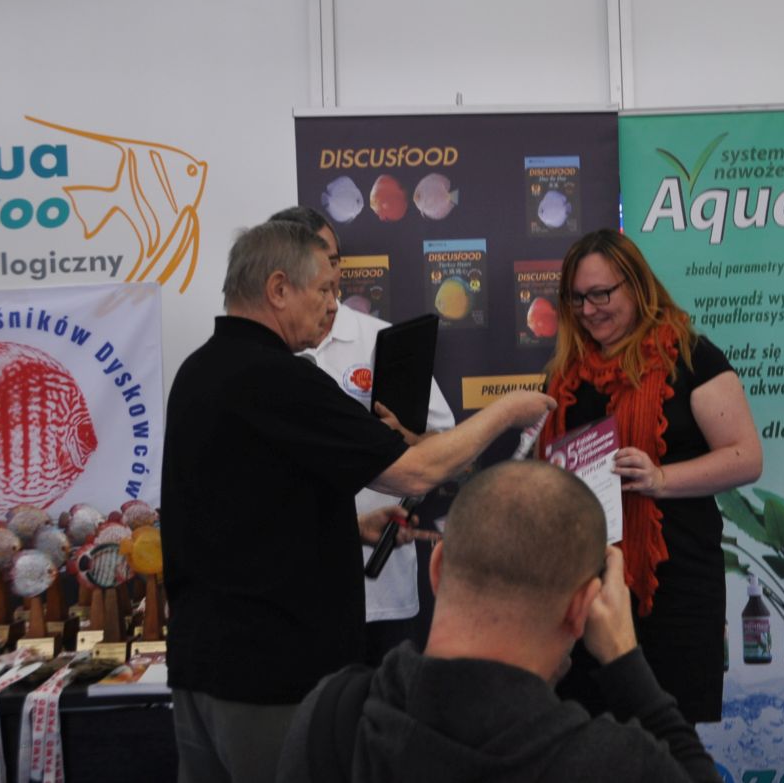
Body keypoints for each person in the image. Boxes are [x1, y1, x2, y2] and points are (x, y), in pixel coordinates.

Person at [163, 219, 553, 783]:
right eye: (323, 289)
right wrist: (508, 410)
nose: (332, 305)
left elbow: (235, 515)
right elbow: (418, 469)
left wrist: (344, 529)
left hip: (199, 674)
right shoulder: (279, 379)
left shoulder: (199, 371)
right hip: (268, 681)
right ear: (278, 289)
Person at [277, 461, 721, 783]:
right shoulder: (615, 763)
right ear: (582, 608)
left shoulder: (332, 716)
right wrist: (625, 662)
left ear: (438, 567)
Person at [538, 229, 762, 724]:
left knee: (667, 735)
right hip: (585, 590)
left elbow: (746, 457)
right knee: (588, 734)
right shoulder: (564, 376)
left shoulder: (691, 357)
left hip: (674, 584)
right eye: (576, 298)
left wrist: (660, 478)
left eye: (601, 294)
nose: (589, 309)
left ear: (637, 286)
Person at [270, 205, 454, 663]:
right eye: (317, 261)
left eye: (334, 258)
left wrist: (404, 441)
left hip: (382, 593)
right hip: (290, 597)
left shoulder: (380, 340)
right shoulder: (263, 356)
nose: (330, 272)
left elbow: (447, 448)